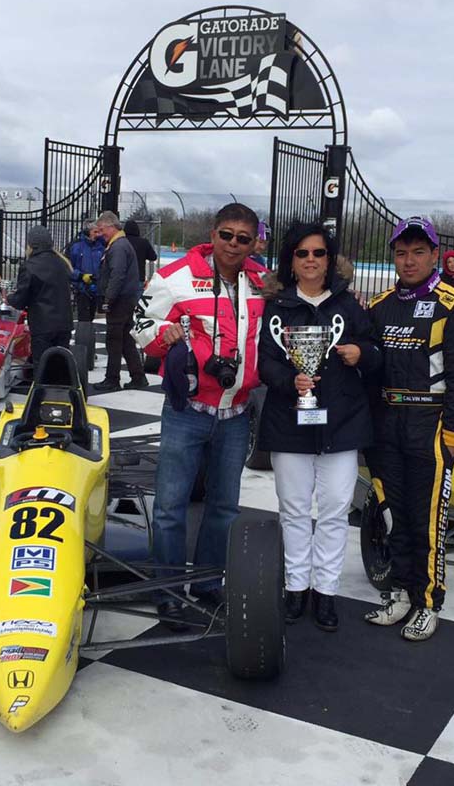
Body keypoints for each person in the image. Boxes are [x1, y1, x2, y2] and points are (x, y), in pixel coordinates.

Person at [131, 203, 266, 629]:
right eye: (226, 235)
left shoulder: (263, 281)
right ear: (213, 232)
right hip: (187, 409)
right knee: (171, 506)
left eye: (243, 238)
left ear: (254, 242)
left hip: (237, 412)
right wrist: (162, 335)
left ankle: (208, 584)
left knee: (224, 506)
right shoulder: (176, 276)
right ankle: (167, 590)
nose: (233, 245)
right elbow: (139, 325)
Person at [257, 223, 381, 630]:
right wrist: (288, 380)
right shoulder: (278, 307)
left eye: (319, 253)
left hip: (341, 424)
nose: (311, 260)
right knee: (293, 510)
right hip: (290, 421)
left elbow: (376, 355)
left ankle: (325, 591)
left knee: (333, 512)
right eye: (302, 253)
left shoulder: (350, 306)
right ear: (291, 260)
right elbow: (266, 362)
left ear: (330, 260)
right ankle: (296, 588)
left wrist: (359, 352)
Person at [364, 216, 454, 641]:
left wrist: (453, 433)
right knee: (392, 514)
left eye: (417, 252)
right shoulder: (379, 306)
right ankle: (398, 591)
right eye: (400, 252)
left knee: (427, 518)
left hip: (430, 425)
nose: (408, 260)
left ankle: (428, 601)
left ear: (434, 255)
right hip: (385, 423)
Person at [94, 211, 148, 392]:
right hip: (126, 298)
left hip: (120, 300)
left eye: (102, 230)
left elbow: (117, 274)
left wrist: (108, 298)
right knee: (125, 338)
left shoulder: (117, 247)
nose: (100, 234)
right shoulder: (121, 244)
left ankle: (112, 378)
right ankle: (138, 376)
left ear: (111, 226)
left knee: (114, 339)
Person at [7, 225, 73, 367]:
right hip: (64, 323)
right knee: (60, 365)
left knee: (42, 365)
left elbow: (20, 300)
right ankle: (61, 387)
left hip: (42, 324)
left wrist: (9, 298)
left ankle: (41, 389)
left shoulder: (29, 265)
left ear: (31, 244)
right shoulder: (62, 263)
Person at [68, 221, 105, 321]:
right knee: (84, 318)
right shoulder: (76, 247)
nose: (98, 235)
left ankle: (88, 334)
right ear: (88, 232)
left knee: (91, 316)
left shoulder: (101, 246)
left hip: (96, 288)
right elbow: (69, 267)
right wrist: (80, 276)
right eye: (95, 232)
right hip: (82, 288)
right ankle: (84, 335)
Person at [123, 219, 158, 292]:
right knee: (136, 302)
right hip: (138, 277)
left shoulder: (121, 241)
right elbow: (153, 257)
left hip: (123, 277)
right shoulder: (143, 242)